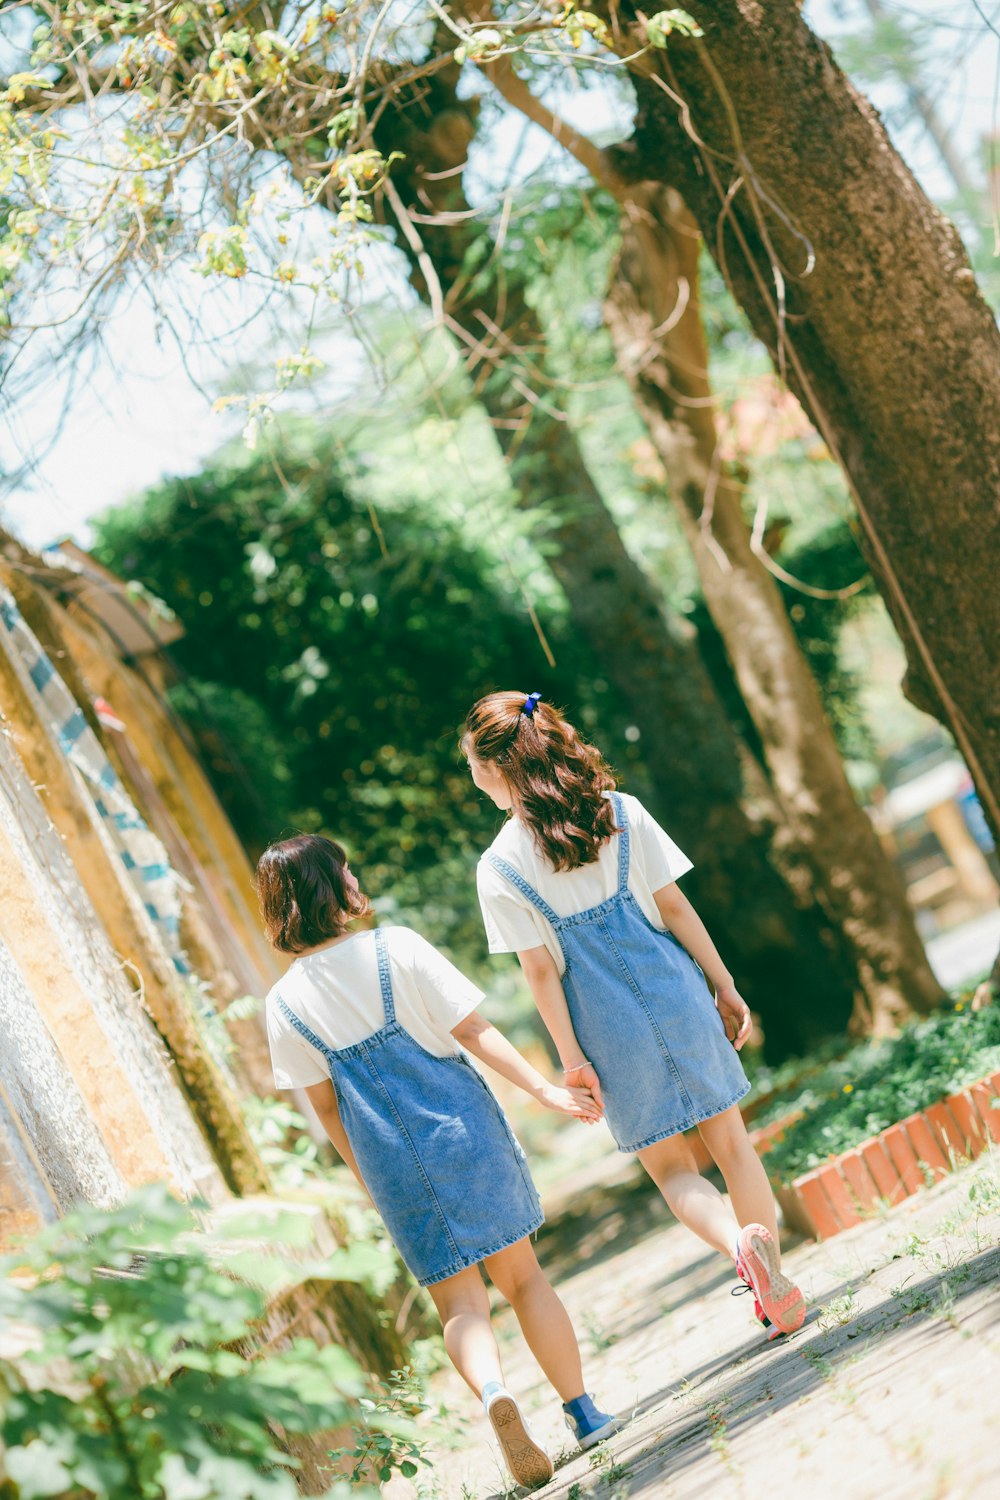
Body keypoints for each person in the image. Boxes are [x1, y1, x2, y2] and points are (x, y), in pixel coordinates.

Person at [258, 834, 623, 1489]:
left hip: (393, 1164)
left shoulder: (281, 1005)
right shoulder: (394, 946)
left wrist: (372, 1185)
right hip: (464, 1131)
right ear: (331, 886)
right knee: (525, 1279)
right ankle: (584, 1410)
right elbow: (473, 1031)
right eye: (345, 869)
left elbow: (329, 1111)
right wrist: (544, 1089)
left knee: (459, 1305)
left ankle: (491, 1393)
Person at [463, 691, 806, 1341]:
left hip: (604, 1023)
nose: (473, 779)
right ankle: (772, 1282)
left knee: (674, 1171)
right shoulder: (620, 812)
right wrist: (723, 982)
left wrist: (572, 1061)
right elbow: (673, 906)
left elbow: (539, 971)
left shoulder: (499, 865)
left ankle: (740, 1246)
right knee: (732, 1145)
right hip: (674, 986)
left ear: (495, 768)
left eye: (472, 767)